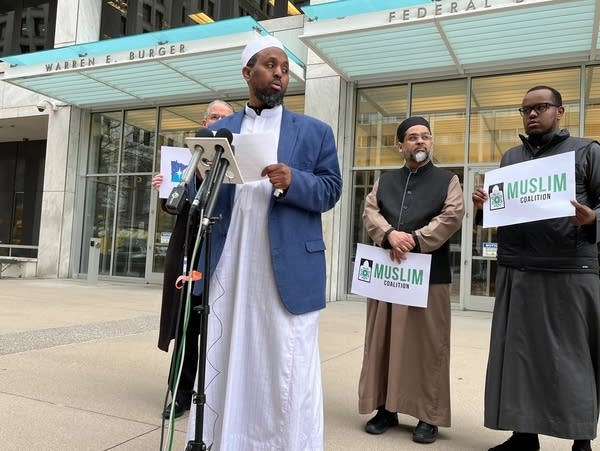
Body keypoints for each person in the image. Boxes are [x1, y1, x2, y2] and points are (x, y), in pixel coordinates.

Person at [185, 35, 342, 450]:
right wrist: (200, 178)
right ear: (247, 72)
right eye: (270, 65)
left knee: (285, 359)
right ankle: (224, 440)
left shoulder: (315, 131)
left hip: (287, 265)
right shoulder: (218, 131)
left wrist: (295, 181)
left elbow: (331, 190)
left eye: (285, 68)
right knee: (225, 350)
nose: (279, 73)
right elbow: (194, 200)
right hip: (230, 259)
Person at [472, 85, 600, 451]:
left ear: (560, 112)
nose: (531, 114)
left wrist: (592, 219)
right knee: (519, 357)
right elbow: (499, 215)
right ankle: (523, 437)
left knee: (573, 360)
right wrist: (484, 206)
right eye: (525, 109)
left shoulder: (587, 152)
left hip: (571, 271)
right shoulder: (510, 158)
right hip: (518, 270)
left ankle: (581, 441)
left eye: (540, 107)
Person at [358, 116, 465, 444]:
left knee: (427, 347)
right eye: (413, 137)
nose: (420, 142)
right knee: (383, 341)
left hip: (429, 278)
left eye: (426, 137)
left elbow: (453, 215)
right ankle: (386, 409)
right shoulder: (384, 180)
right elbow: (369, 212)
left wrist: (414, 239)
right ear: (400, 145)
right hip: (387, 275)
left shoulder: (449, 180)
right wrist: (389, 234)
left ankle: (427, 416)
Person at [154, 99, 234, 419]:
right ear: (204, 121)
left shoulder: (234, 166)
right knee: (187, 329)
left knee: (220, 331)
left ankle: (218, 393)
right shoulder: (187, 161)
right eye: (213, 117)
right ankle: (181, 394)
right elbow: (174, 207)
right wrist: (163, 190)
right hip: (189, 257)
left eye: (224, 119)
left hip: (223, 258)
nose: (217, 122)